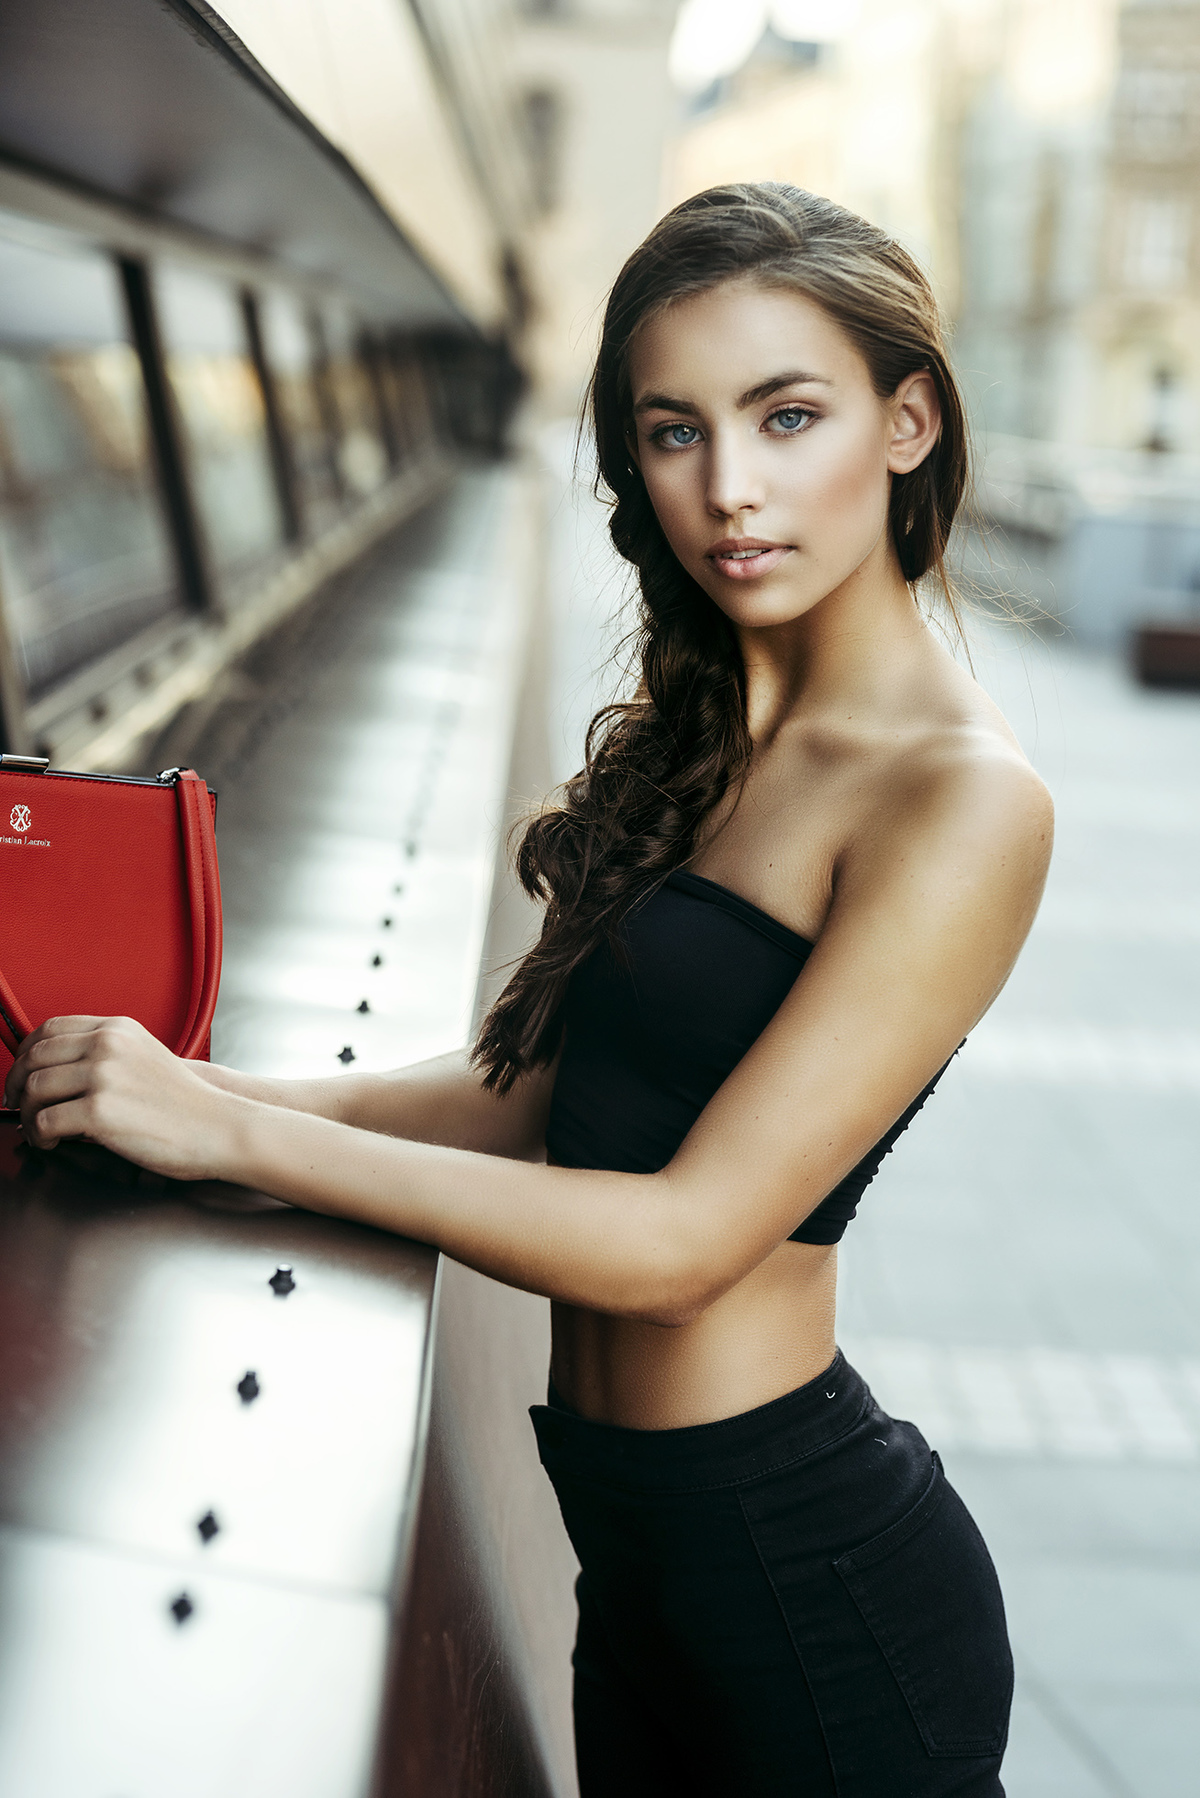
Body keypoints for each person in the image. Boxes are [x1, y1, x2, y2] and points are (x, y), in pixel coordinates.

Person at [6, 184, 1052, 1795]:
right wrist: (185, 1091)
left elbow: (687, 1241)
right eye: (674, 430)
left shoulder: (961, 799)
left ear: (908, 421)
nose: (732, 488)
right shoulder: (726, 730)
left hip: (808, 1600)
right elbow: (542, 1100)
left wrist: (240, 1147)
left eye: (789, 416)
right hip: (637, 1562)